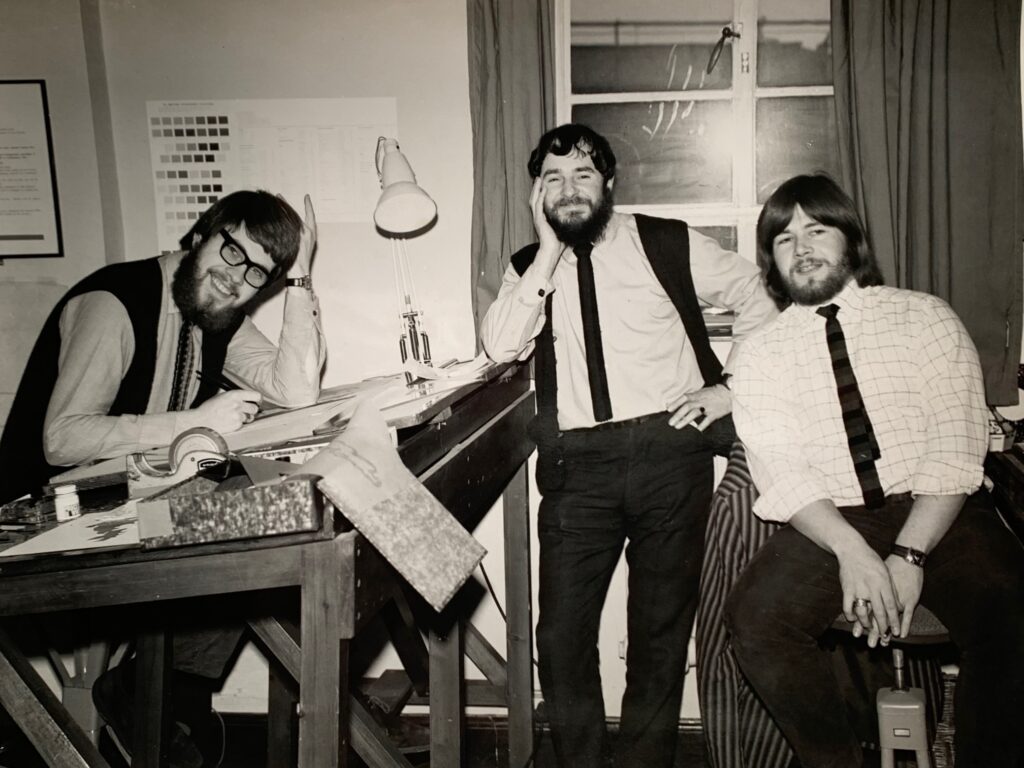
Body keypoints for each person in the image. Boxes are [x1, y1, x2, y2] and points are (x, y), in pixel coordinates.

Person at [480, 123, 777, 768]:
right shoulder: (526, 269)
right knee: (559, 637)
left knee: (659, 634)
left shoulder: (662, 241)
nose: (570, 189)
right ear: (538, 194)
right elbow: (499, 347)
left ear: (608, 182)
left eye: (583, 174)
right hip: (577, 464)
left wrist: (728, 389)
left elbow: (758, 296)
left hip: (672, 452)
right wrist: (548, 252)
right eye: (553, 179)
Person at [0, 189, 324, 766]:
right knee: (243, 509)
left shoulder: (211, 312)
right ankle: (165, 697)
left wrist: (298, 282)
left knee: (274, 493)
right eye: (231, 252)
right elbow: (62, 439)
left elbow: (296, 389)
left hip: (119, 500)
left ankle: (169, 695)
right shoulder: (115, 302)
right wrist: (194, 424)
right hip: (31, 520)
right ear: (202, 234)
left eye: (256, 273)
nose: (235, 279)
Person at [726, 173, 1024, 767]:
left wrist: (909, 555)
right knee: (756, 620)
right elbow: (781, 469)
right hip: (834, 518)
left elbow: (955, 445)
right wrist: (853, 553)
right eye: (784, 239)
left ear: (851, 241)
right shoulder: (759, 353)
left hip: (940, 506)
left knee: (1012, 607)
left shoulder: (925, 317)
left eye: (817, 229)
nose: (802, 247)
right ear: (771, 262)